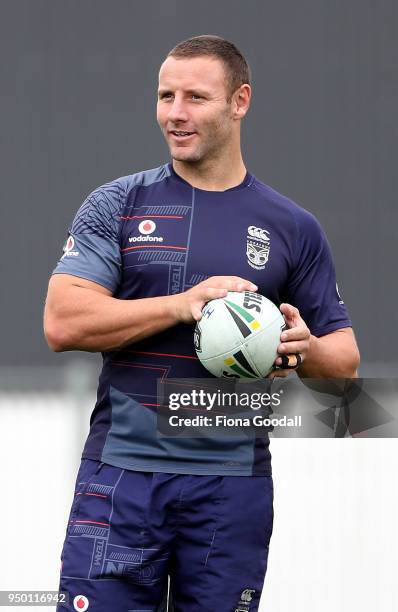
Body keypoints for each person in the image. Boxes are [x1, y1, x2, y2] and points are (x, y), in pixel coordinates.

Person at [44, 35, 360, 612]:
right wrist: (182, 304)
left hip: (231, 487)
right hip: (120, 479)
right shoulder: (118, 204)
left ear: (240, 102)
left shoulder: (292, 226)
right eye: (165, 96)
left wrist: (302, 347)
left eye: (195, 97)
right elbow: (64, 322)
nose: (175, 113)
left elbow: (344, 361)